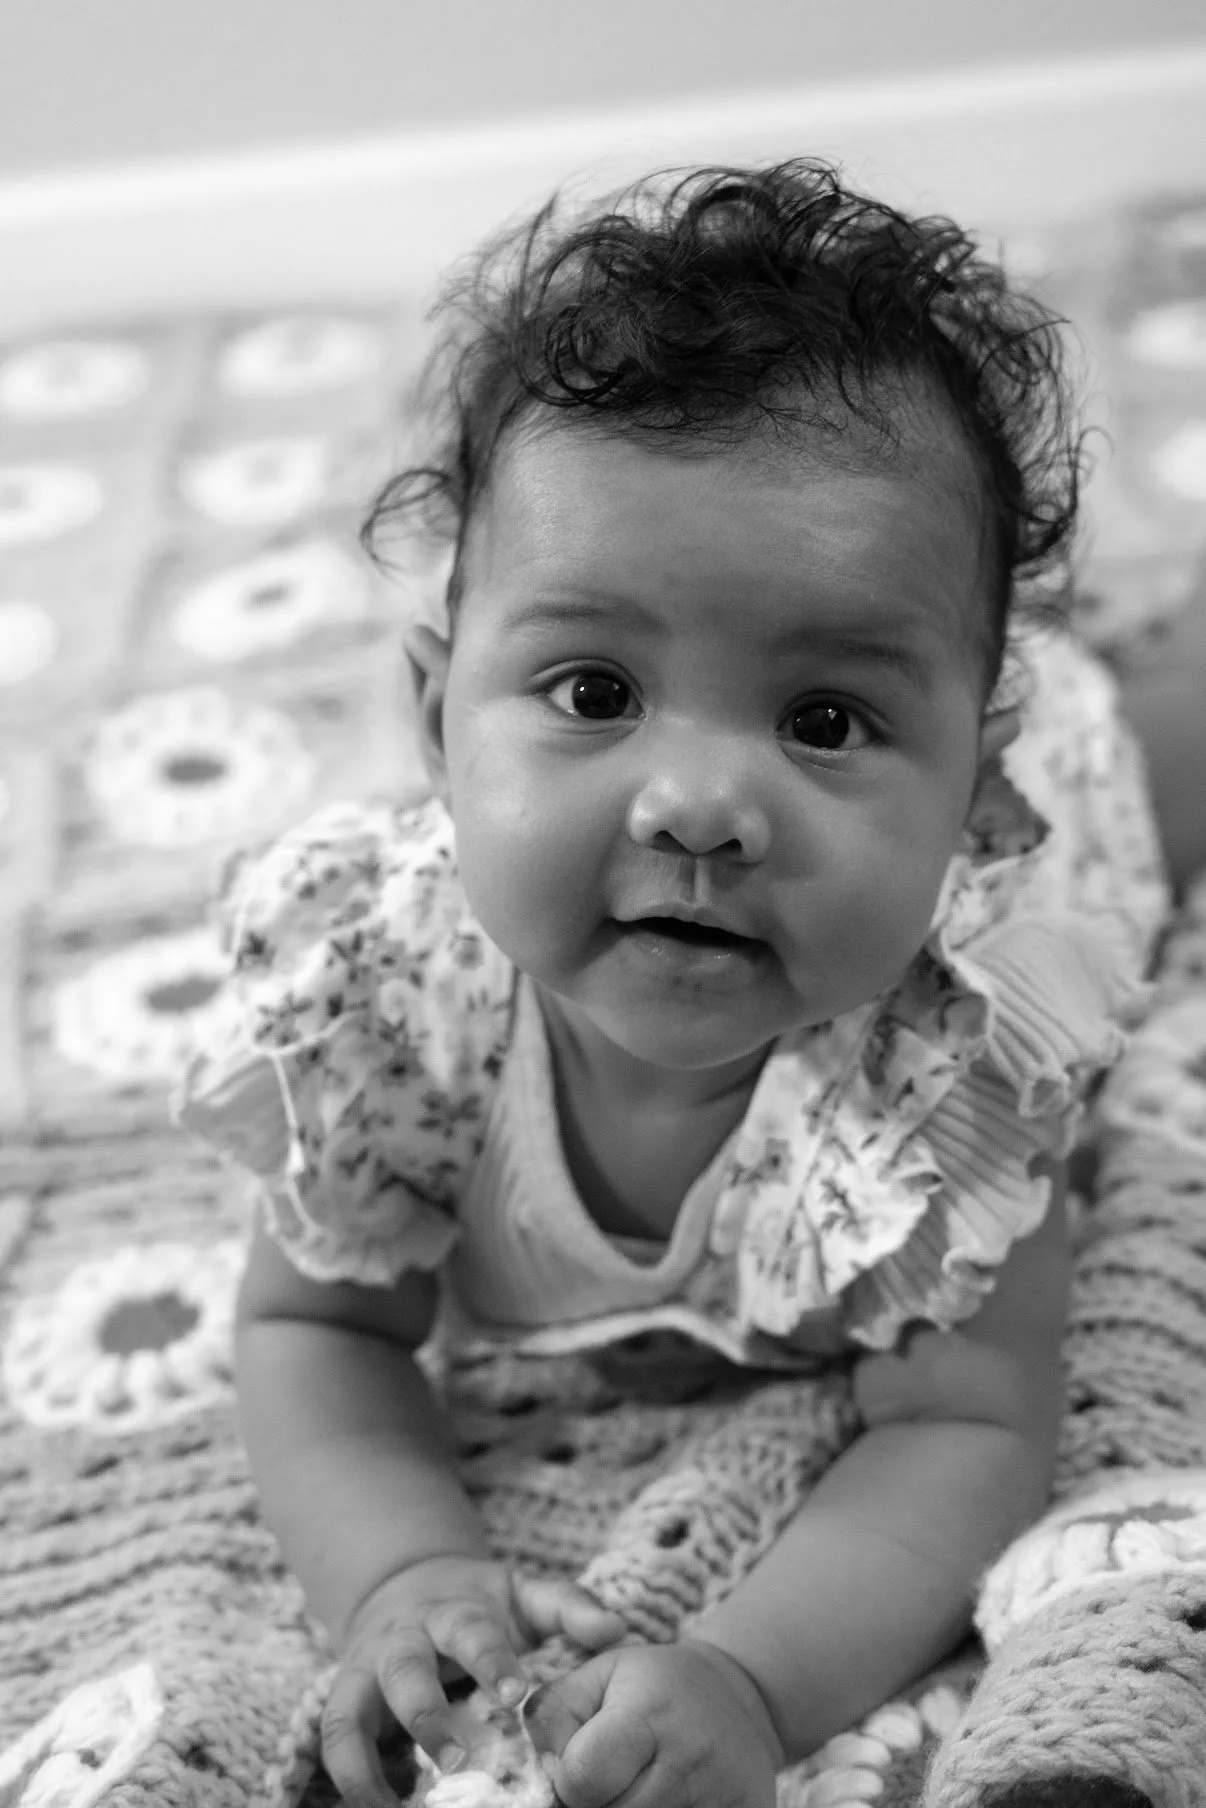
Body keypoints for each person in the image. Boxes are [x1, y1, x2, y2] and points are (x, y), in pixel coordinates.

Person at [175, 161, 1179, 1808]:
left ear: (966, 790)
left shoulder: (950, 1080)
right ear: (434, 719)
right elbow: (314, 1327)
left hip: (1087, 770)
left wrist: (748, 1678)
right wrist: (402, 1576)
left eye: (825, 721)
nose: (700, 807)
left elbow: (965, 1430)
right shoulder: (383, 1011)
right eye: (592, 690)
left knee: (1158, 735)